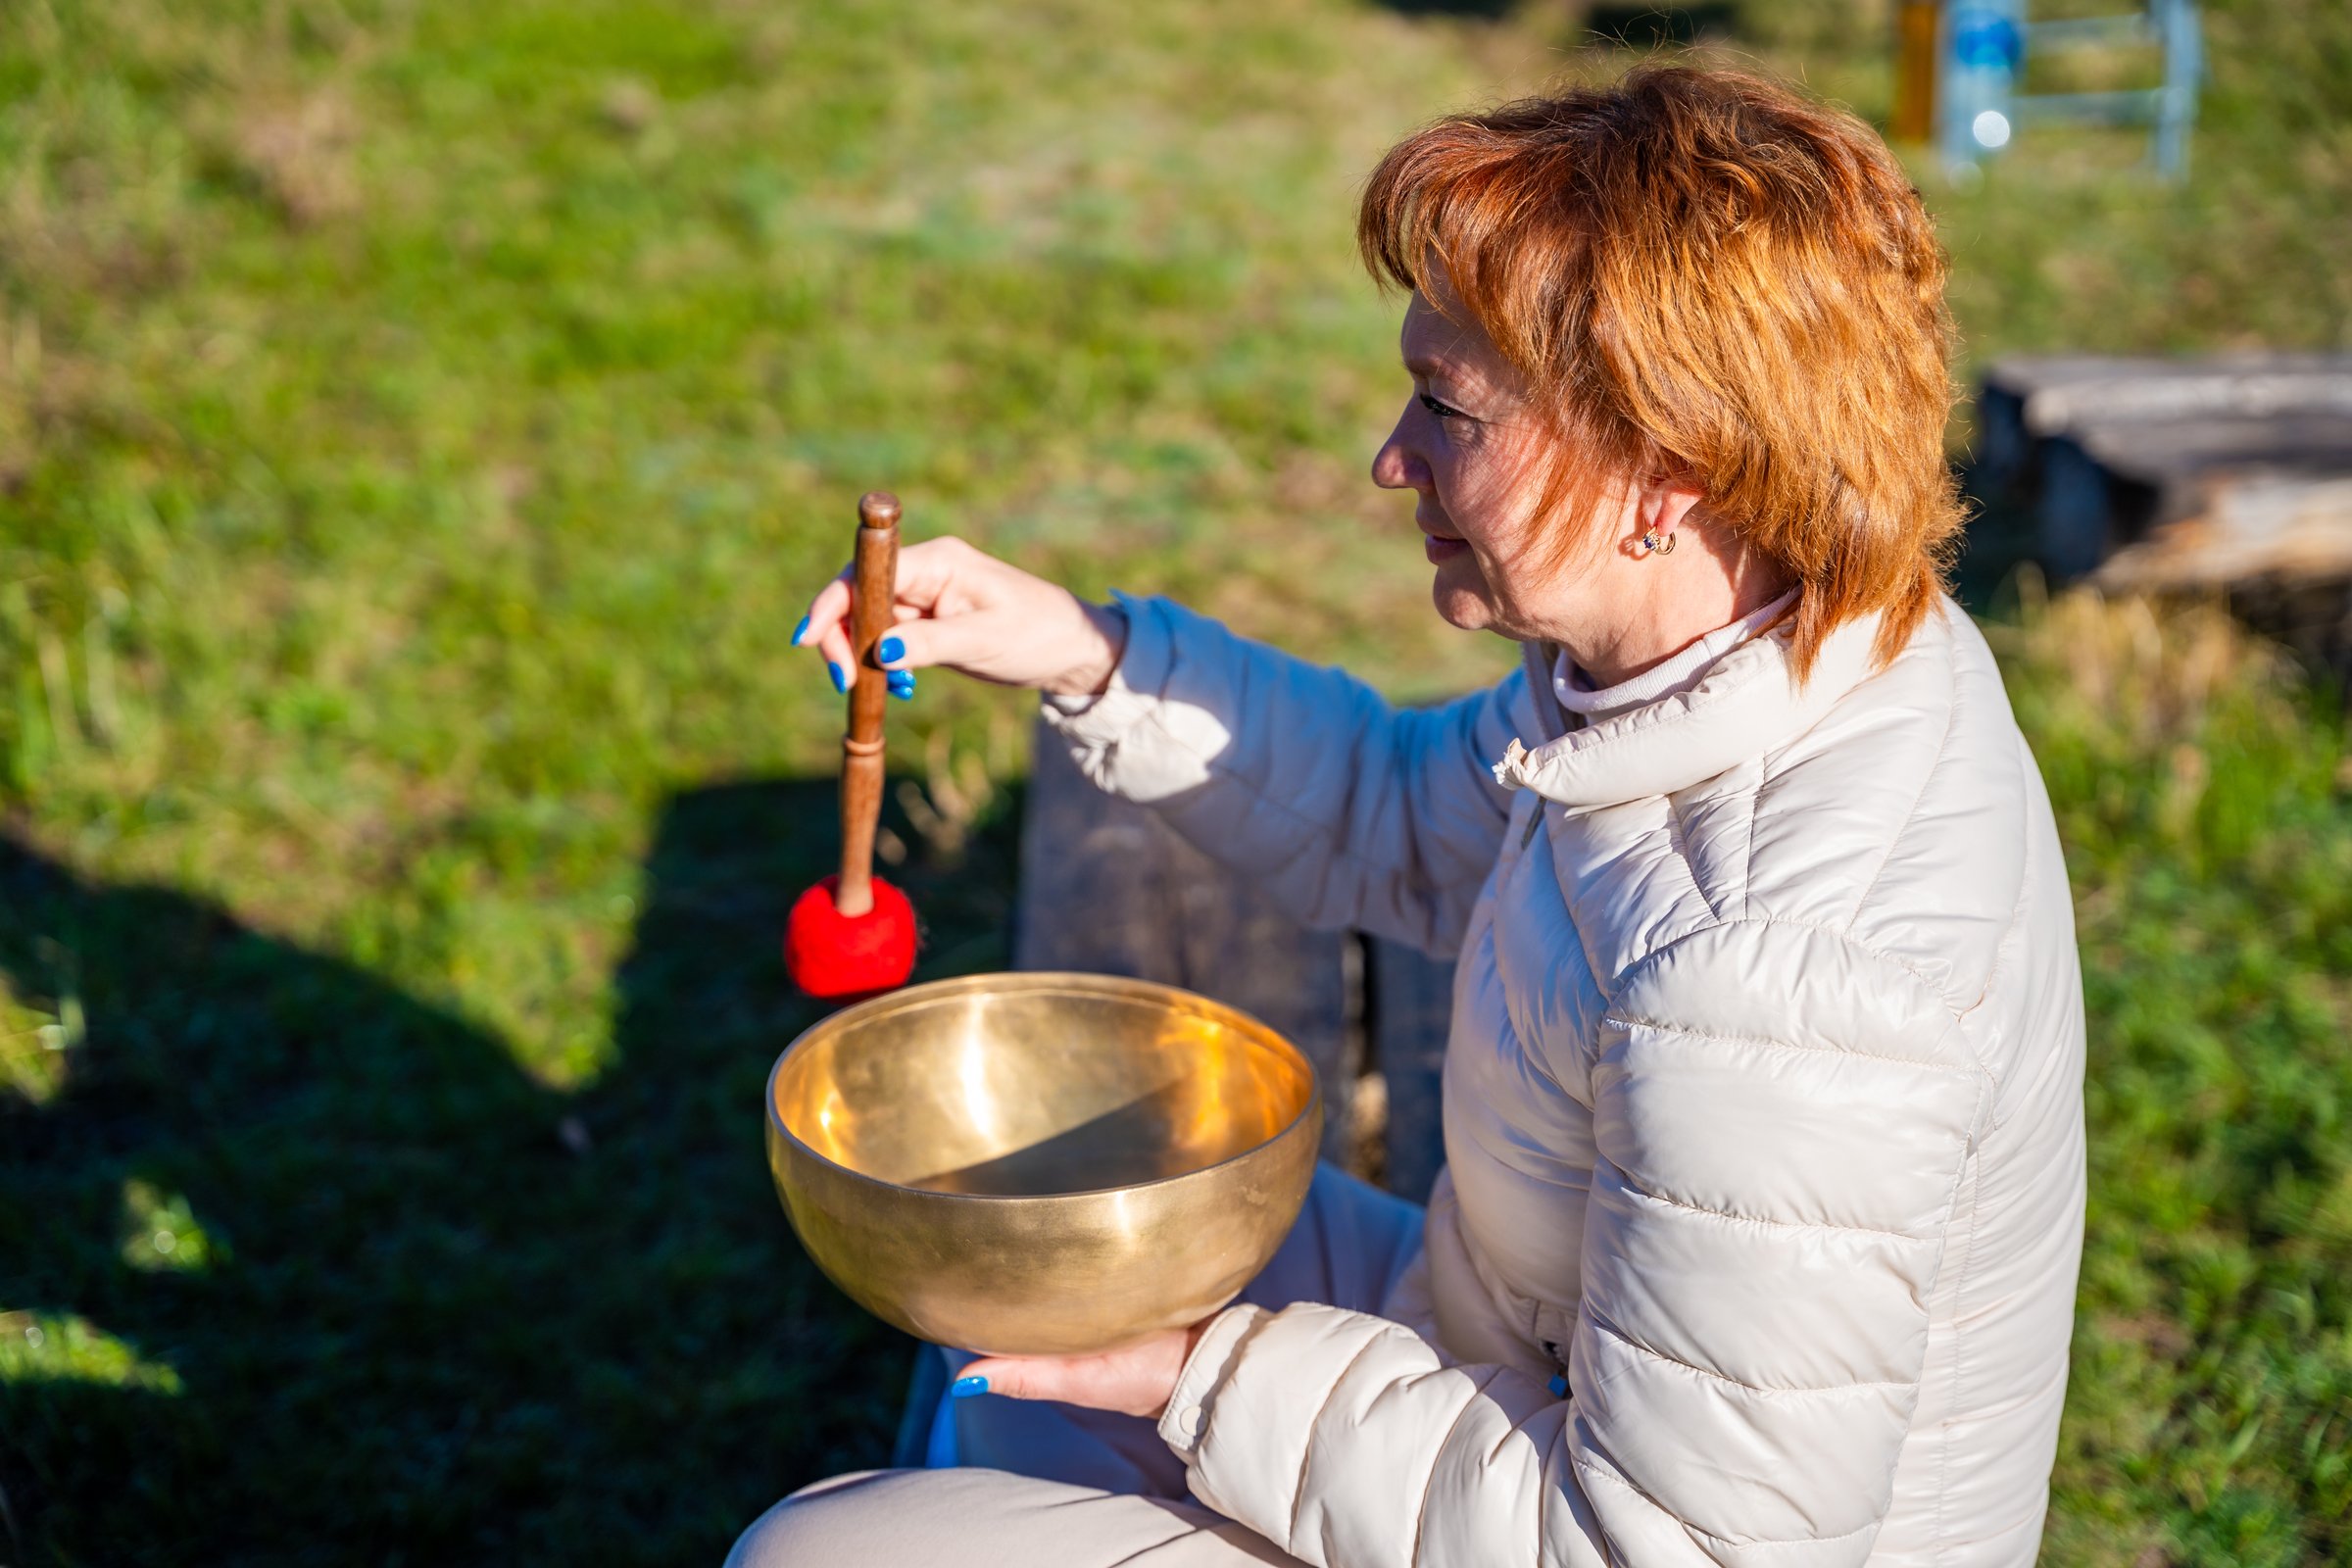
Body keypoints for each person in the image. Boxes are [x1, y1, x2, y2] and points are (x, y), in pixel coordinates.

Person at [741, 64, 2085, 1568]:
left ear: (1669, 469)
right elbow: (1399, 811)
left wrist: (1206, 1384)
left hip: (1606, 1516)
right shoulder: (1735, 655)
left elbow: (1680, 1553)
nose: (1393, 457)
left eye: (1451, 409)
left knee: (822, 1556)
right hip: (1510, 1335)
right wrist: (1084, 652)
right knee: (1014, 1271)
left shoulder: (1783, 985)